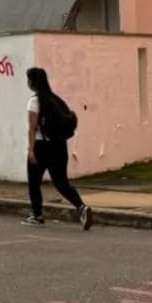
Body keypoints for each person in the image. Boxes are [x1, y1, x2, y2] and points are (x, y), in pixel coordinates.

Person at [24, 67, 92, 230]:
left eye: (28, 79)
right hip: (59, 146)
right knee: (61, 182)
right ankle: (81, 207)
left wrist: (31, 150)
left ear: (32, 82)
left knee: (34, 182)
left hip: (41, 146)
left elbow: (32, 128)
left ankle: (37, 216)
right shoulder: (56, 100)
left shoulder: (35, 101)